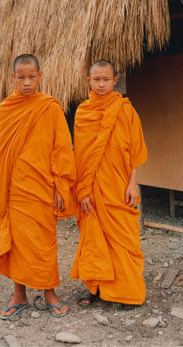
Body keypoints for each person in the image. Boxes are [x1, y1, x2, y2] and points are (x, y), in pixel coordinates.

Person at [0, 54, 76, 319]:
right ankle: (19, 294)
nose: (27, 82)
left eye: (31, 77)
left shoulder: (50, 107)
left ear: (40, 77)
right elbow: (0, 154)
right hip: (15, 189)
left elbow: (62, 148)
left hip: (42, 186)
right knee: (17, 243)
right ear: (13, 78)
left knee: (45, 242)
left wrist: (60, 186)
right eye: (21, 77)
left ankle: (49, 291)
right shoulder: (6, 109)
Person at [70, 60, 148, 310]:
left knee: (124, 239)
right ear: (89, 81)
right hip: (91, 190)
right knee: (94, 239)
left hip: (119, 186)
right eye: (97, 80)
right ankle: (97, 288)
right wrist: (82, 191)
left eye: (106, 79)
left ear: (115, 81)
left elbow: (135, 152)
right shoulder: (83, 112)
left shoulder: (125, 111)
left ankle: (128, 292)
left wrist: (131, 185)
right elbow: (80, 157)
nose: (102, 84)